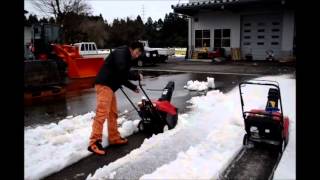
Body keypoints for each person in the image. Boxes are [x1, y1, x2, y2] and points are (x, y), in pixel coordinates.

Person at [88, 41, 144, 155]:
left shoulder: (126, 58)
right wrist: (136, 76)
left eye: (139, 54)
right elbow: (121, 70)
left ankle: (114, 138)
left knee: (112, 113)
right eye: (137, 52)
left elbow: (121, 76)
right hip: (104, 85)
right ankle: (94, 142)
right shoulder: (121, 52)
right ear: (131, 48)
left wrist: (133, 87)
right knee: (102, 113)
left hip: (110, 87)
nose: (137, 56)